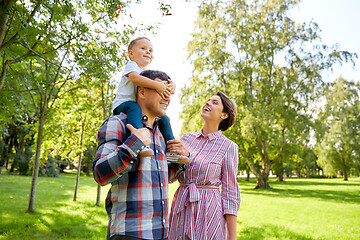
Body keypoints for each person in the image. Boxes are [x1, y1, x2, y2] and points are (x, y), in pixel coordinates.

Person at [93, 70, 190, 240]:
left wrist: (180, 161)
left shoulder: (161, 133)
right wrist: (134, 143)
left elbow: (164, 177)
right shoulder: (118, 123)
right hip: (129, 234)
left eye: (169, 93)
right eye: (162, 91)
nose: (167, 98)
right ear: (142, 91)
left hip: (161, 233)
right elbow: (100, 174)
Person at [167, 92, 240, 240]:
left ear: (224, 115)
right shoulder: (186, 139)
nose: (207, 104)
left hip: (209, 212)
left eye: (214, 102)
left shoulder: (228, 147)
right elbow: (169, 175)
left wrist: (232, 237)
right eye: (207, 101)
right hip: (181, 206)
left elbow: (230, 193)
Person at [112, 37, 186, 163]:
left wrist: (171, 84)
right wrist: (157, 86)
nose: (148, 52)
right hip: (123, 104)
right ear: (131, 54)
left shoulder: (146, 73)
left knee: (165, 119)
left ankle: (172, 149)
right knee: (134, 108)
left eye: (151, 50)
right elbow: (135, 79)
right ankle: (140, 143)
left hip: (136, 108)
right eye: (143, 48)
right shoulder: (132, 66)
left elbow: (156, 81)